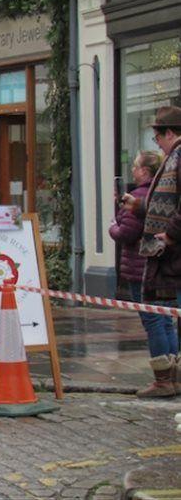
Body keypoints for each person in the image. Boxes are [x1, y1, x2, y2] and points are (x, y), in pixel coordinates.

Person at [126, 105, 181, 397]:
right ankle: (169, 379)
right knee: (167, 314)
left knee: (162, 316)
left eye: (158, 136)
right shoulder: (172, 158)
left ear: (170, 133)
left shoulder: (179, 156)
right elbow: (167, 205)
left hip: (173, 253)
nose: (156, 142)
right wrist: (140, 206)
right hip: (167, 255)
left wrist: (171, 235)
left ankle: (166, 381)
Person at [111, 151, 166, 396]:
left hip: (139, 266)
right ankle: (171, 373)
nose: (133, 171)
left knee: (153, 320)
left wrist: (113, 226)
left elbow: (126, 233)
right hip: (158, 265)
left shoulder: (138, 197)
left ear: (144, 171)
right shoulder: (158, 193)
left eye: (135, 167)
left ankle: (163, 377)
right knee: (165, 320)